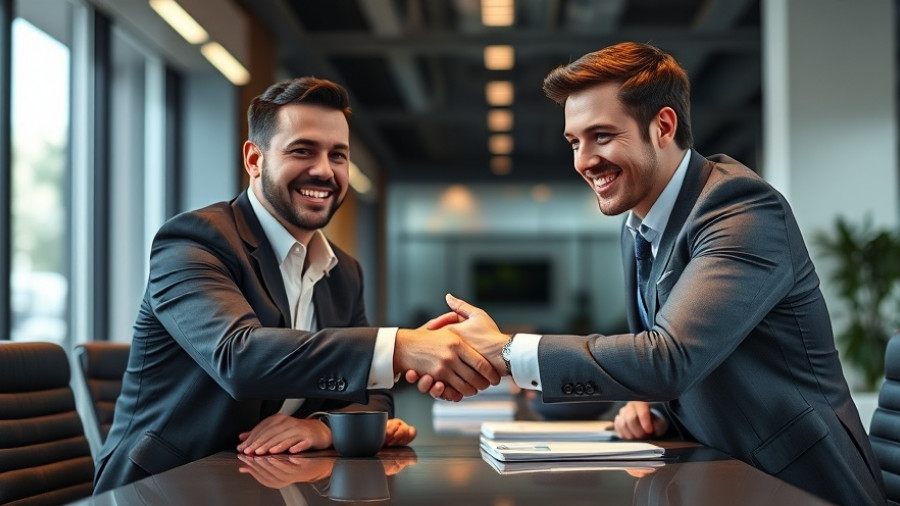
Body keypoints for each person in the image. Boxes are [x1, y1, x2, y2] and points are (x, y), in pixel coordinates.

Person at [411, 42, 886, 505]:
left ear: (663, 126)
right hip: (717, 474)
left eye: (601, 136)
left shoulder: (740, 208)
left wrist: (506, 351)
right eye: (574, 142)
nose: (583, 161)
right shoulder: (638, 226)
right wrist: (656, 407)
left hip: (800, 484)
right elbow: (689, 360)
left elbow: (670, 358)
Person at [93, 77, 499, 494]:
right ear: (255, 159)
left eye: (338, 155)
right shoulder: (193, 241)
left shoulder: (344, 272)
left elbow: (372, 395)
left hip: (267, 486)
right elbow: (238, 357)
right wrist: (400, 347)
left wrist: (323, 427)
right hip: (163, 489)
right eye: (302, 150)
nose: (324, 170)